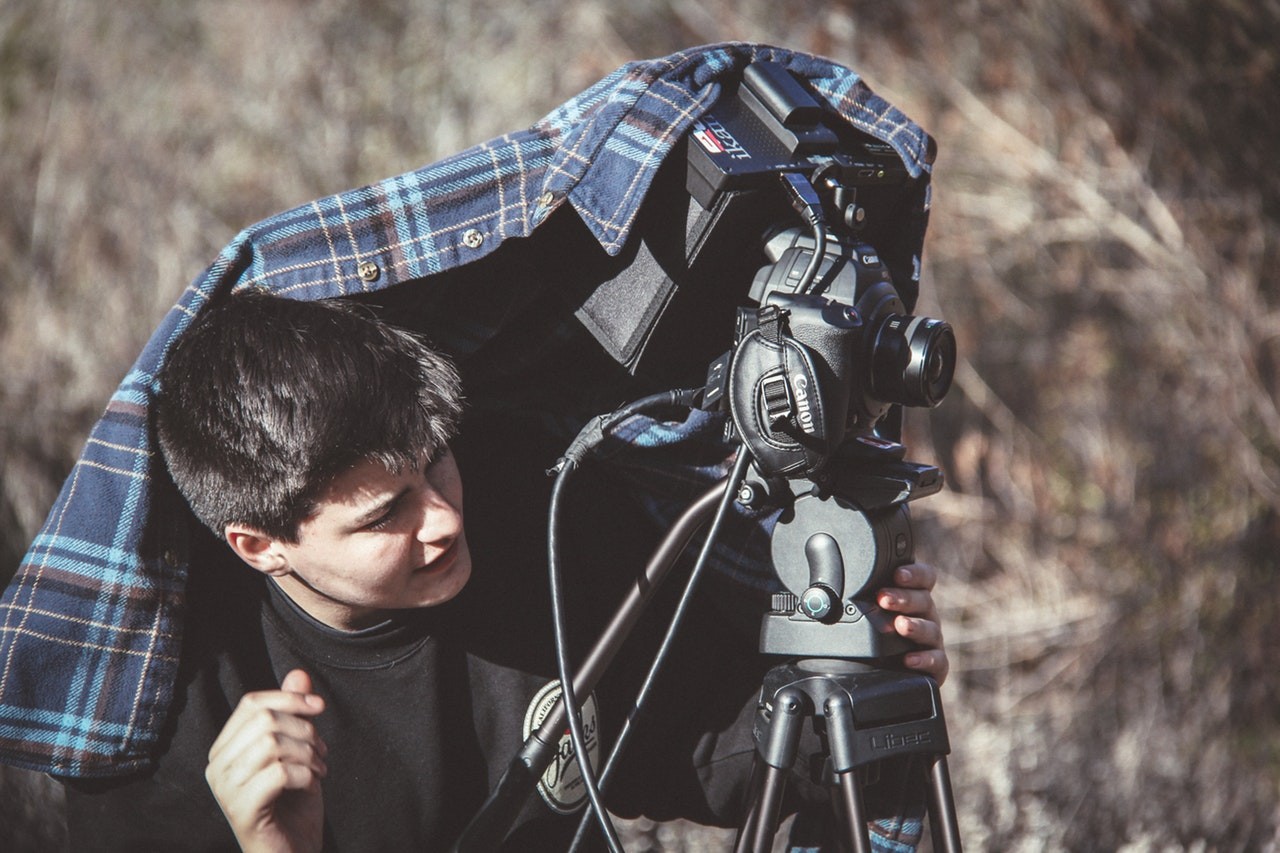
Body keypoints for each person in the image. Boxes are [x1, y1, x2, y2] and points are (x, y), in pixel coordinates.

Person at [58, 287, 948, 852]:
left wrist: (856, 664)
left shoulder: (542, 525)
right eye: (384, 515)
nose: (444, 519)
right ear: (260, 544)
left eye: (437, 465)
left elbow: (703, 751)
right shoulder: (169, 716)